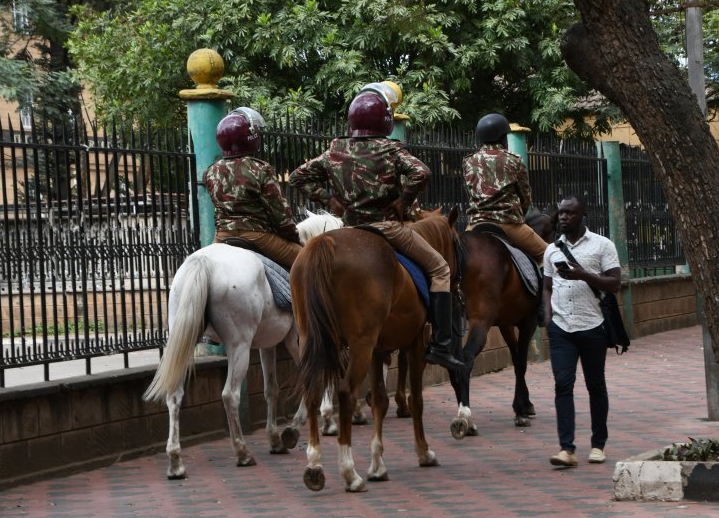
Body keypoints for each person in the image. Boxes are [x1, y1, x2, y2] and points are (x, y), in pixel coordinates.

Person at [288, 85, 464, 372]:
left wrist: (329, 200)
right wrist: (402, 200)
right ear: (385, 120)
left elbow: (297, 176)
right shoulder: (390, 148)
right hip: (387, 228)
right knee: (441, 268)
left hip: (347, 227)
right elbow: (422, 172)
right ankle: (442, 344)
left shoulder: (336, 149)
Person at [542, 196, 621, 467]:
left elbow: (614, 284)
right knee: (563, 385)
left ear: (582, 215)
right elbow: (547, 286)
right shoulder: (552, 249)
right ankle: (566, 449)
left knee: (595, 385)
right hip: (561, 328)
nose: (563, 217)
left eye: (570, 213)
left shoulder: (603, 245)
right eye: (561, 212)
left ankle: (598, 444)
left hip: (593, 326)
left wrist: (583, 275)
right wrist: (547, 316)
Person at [204, 107, 302, 270]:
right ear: (248, 138)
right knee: (309, 262)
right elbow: (280, 214)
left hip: (222, 236)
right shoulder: (260, 169)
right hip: (257, 235)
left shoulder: (210, 172)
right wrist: (293, 237)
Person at [462, 113, 548, 264]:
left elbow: (470, 192)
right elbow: (525, 195)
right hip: (508, 224)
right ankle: (545, 288)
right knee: (549, 256)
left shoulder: (468, 161)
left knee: (458, 260)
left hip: (475, 224)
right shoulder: (513, 160)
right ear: (503, 138)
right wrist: (521, 214)